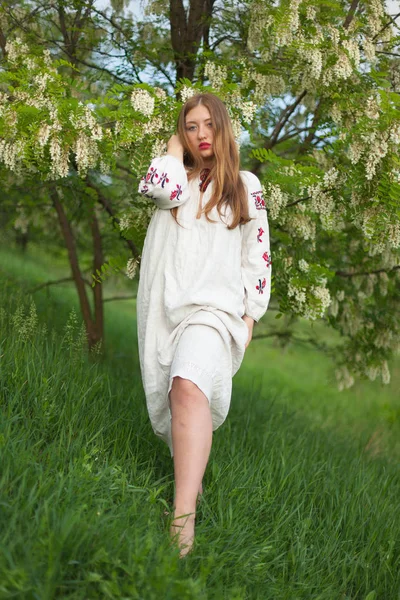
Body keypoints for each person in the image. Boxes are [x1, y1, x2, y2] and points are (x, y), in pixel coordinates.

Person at [136, 92, 271, 557]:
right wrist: (172, 152)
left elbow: (258, 254)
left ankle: (182, 523)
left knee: (190, 384)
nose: (200, 134)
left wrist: (251, 314)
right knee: (176, 391)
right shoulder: (177, 181)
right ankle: (188, 488)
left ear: (223, 127)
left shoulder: (245, 185)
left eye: (207, 124)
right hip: (168, 309)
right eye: (190, 127)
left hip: (216, 314)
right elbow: (155, 188)